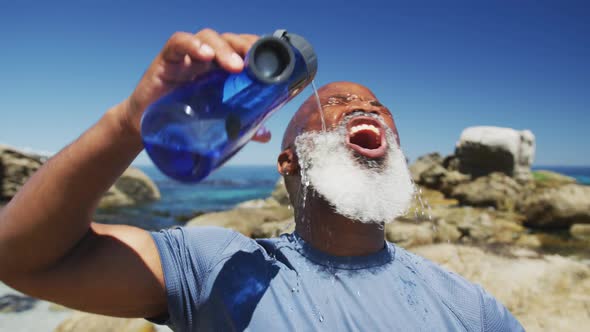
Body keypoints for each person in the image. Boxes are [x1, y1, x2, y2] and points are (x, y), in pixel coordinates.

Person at [0, 28, 524, 331]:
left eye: (377, 106)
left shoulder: (470, 307)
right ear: (288, 161)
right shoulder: (216, 268)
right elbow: (23, 257)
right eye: (337, 102)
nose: (365, 108)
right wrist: (129, 121)